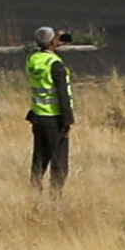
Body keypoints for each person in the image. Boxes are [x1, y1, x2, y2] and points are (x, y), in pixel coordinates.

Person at [22, 27, 75, 192]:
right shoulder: (55, 64)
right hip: (55, 118)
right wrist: (68, 120)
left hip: (38, 117)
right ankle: (55, 198)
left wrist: (52, 44)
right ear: (53, 41)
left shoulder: (32, 59)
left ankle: (35, 194)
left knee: (39, 160)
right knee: (59, 163)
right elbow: (62, 94)